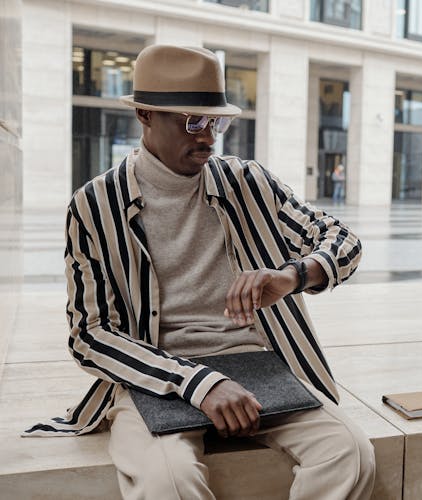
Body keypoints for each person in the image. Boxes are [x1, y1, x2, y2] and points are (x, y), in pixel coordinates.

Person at [24, 45, 375, 500]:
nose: (209, 137)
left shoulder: (247, 183)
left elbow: (343, 240)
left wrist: (292, 276)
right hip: (155, 375)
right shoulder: (95, 205)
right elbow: (89, 334)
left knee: (351, 454)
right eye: (193, 121)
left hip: (262, 365)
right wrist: (197, 382)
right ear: (146, 115)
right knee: (167, 482)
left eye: (216, 121)